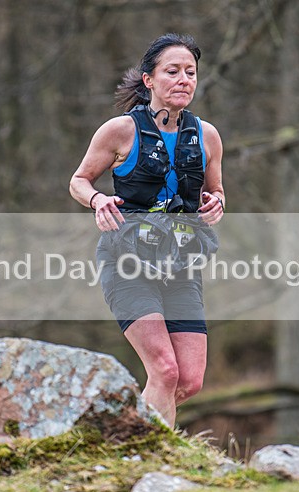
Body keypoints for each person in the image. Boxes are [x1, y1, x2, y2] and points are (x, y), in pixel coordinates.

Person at [69, 34, 225, 427]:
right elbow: (79, 181)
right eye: (172, 71)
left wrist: (216, 202)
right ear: (149, 79)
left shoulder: (206, 136)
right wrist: (97, 200)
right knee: (165, 371)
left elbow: (216, 191)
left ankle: (124, 433)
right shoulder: (120, 131)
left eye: (190, 72)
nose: (184, 79)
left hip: (181, 267)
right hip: (127, 263)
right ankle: (143, 453)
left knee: (188, 381)